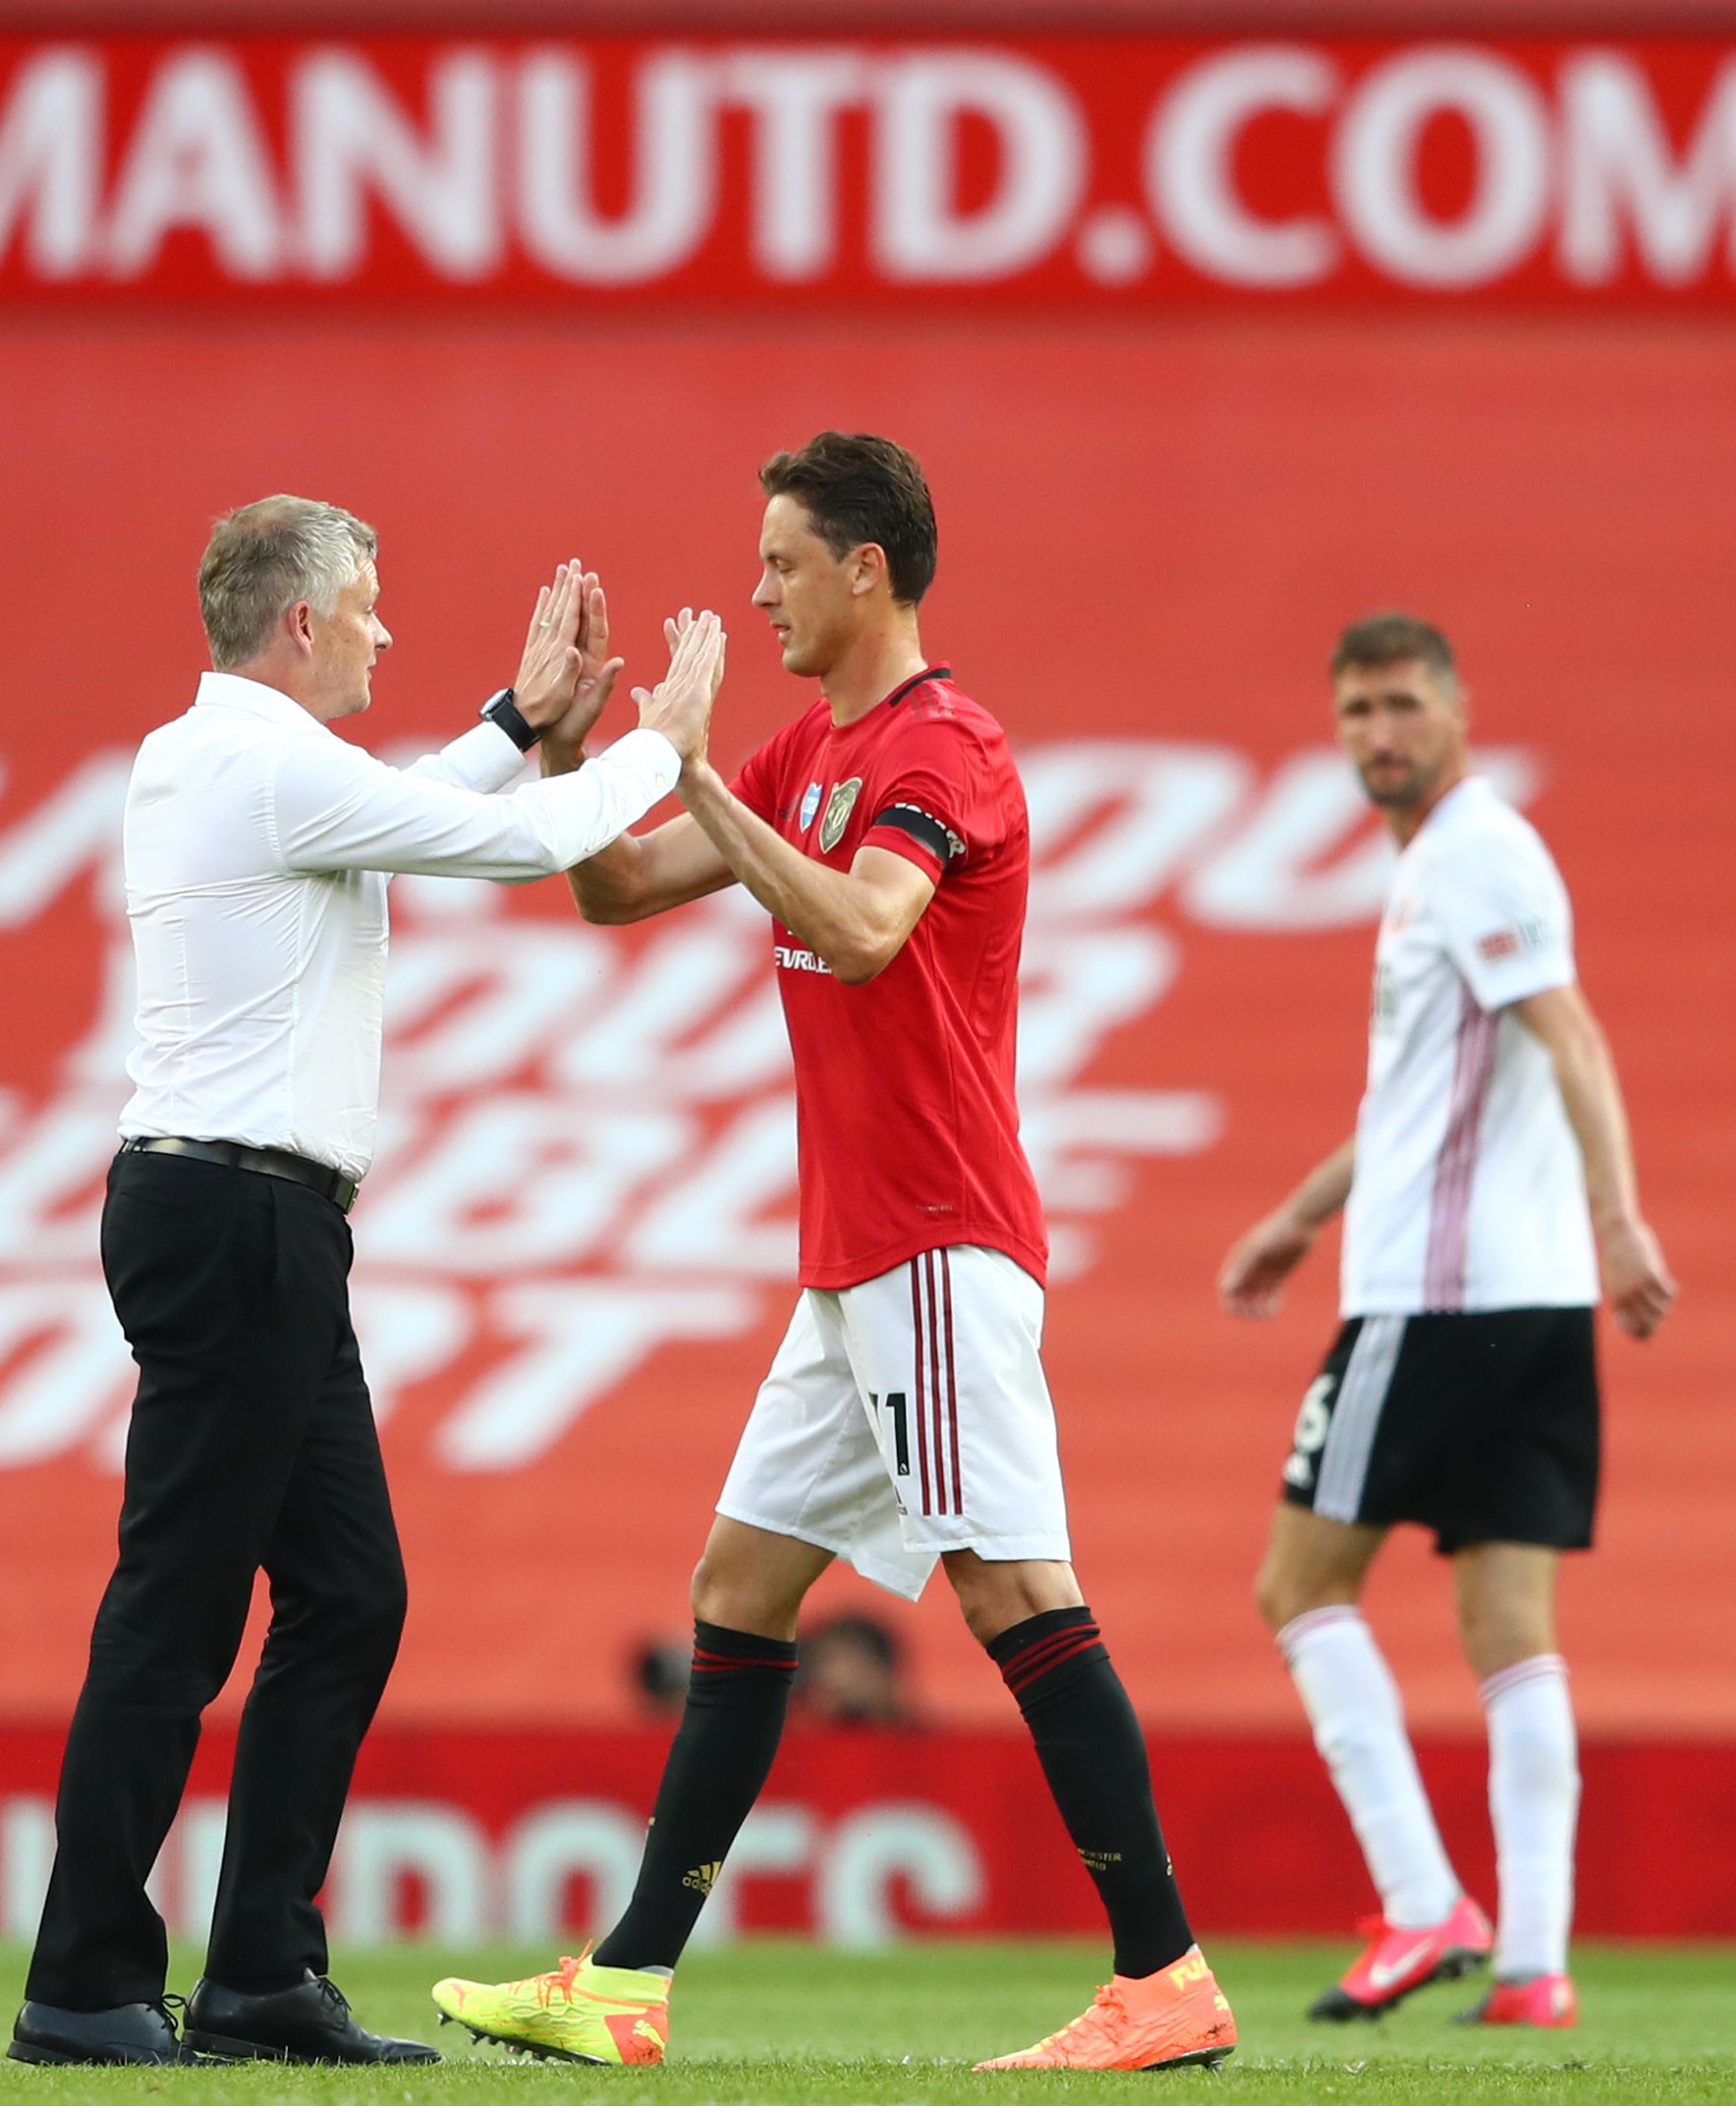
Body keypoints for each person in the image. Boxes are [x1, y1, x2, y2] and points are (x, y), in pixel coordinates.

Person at [430, 433, 1235, 2073]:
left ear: (867, 569)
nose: (756, 593)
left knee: (1014, 1588)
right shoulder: (814, 744)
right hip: (855, 1262)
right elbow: (619, 891)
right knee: (738, 1589)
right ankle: (627, 1984)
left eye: (782, 562)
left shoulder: (947, 744)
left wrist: (699, 771)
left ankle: (1163, 1978)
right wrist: (579, 751)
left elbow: (868, 929)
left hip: (935, 1241)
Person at [11, 498, 712, 2067]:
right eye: (370, 606)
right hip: (237, 1216)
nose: (387, 634)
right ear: (303, 623)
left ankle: (261, 1974)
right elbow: (520, 843)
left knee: (347, 1593)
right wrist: (660, 746)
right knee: (179, 1607)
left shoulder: (219, 757)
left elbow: (412, 807)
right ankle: (85, 1983)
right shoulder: (265, 767)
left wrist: (519, 720)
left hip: (250, 1217)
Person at [1217, 612, 1676, 2029]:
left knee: (1298, 1588)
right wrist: (1300, 1215)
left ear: (1461, 711)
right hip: (1528, 1305)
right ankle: (1536, 1961)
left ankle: (1424, 1904)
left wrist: (1622, 1218)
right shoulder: (1459, 859)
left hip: (1434, 1298)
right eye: (1357, 711)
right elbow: (1419, 1104)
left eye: (1403, 705)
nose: (1379, 734)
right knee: (1510, 1626)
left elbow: (1572, 1034)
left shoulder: (1473, 854)